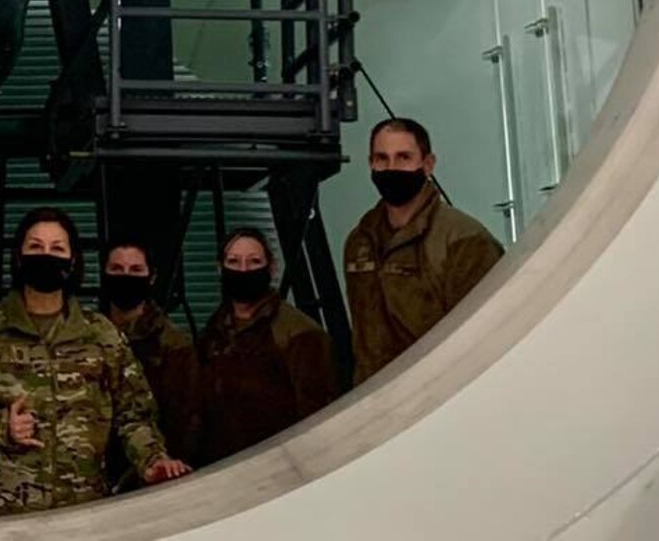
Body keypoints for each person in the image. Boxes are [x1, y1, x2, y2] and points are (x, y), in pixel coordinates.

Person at [0, 207, 191, 517]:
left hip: (81, 514)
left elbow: (134, 415)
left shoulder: (100, 335)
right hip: (4, 515)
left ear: (72, 261)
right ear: (18, 257)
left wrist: (153, 462)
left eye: (57, 248)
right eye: (35, 247)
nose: (46, 256)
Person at [344, 117, 506, 382]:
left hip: (441, 395)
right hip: (376, 402)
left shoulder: (464, 240)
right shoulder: (359, 242)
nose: (391, 168)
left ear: (428, 164)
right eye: (382, 158)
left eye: (404, 157)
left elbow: (484, 337)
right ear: (370, 164)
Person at [195, 227, 336, 463]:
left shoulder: (301, 334)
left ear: (271, 268)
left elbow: (317, 420)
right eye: (234, 261)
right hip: (220, 472)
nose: (243, 270)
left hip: (279, 471)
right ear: (220, 268)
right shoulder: (211, 334)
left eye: (254, 262)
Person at [99, 238, 201, 478]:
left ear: (151, 277)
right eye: (116, 269)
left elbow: (187, 422)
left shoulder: (174, 345)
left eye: (136, 270)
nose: (125, 277)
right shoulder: (86, 335)